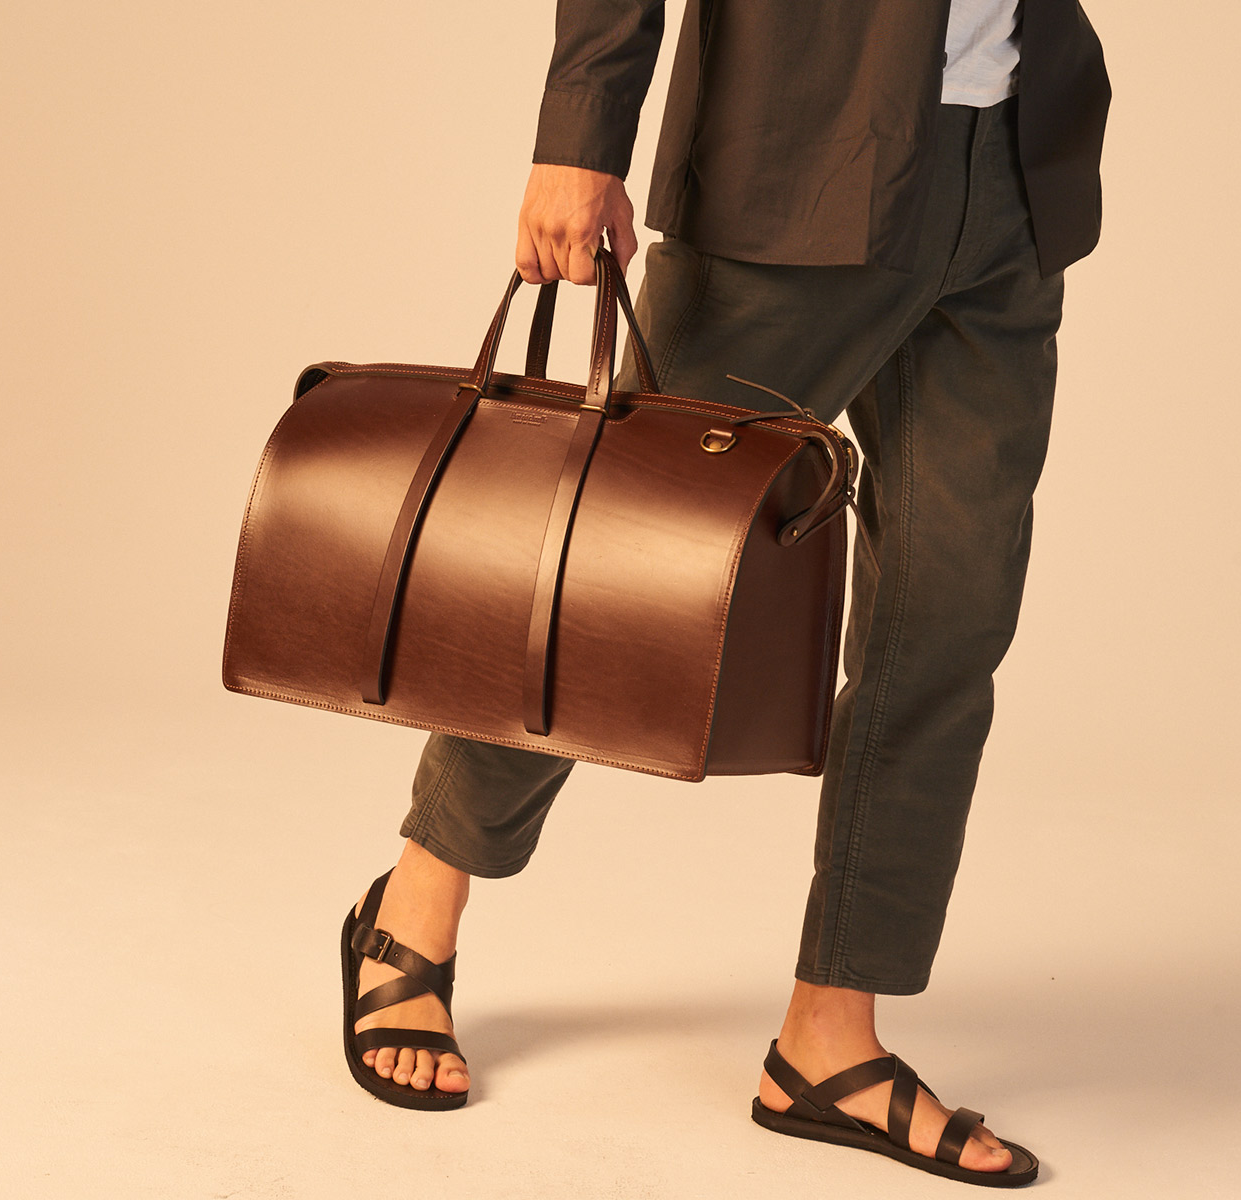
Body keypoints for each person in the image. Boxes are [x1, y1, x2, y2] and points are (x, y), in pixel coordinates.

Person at [338, 0, 1110, 1186]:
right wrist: (580, 135)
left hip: (1010, 170)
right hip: (798, 156)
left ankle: (829, 1038)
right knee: (613, 574)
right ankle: (416, 900)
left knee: (944, 629)